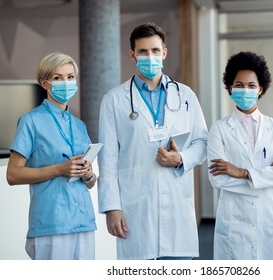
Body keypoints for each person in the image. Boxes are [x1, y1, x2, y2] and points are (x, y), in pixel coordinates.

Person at [97, 22, 208, 260]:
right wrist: (112, 208)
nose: (150, 56)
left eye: (155, 51)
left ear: (164, 53)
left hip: (177, 206)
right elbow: (108, 159)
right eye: (143, 51)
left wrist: (181, 158)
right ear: (132, 55)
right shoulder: (114, 100)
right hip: (135, 209)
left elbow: (201, 142)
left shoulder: (185, 95)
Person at [207, 51, 273, 260]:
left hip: (271, 221)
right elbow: (217, 178)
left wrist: (242, 173)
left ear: (261, 89)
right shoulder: (219, 129)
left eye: (251, 85)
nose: (245, 90)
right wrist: (269, 175)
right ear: (230, 89)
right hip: (235, 223)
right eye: (239, 85)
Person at [6, 52, 97, 260]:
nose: (66, 82)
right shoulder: (31, 121)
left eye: (70, 77)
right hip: (51, 221)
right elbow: (13, 175)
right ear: (44, 83)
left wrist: (88, 174)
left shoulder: (80, 126)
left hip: (83, 221)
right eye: (58, 78)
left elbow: (90, 183)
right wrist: (59, 169)